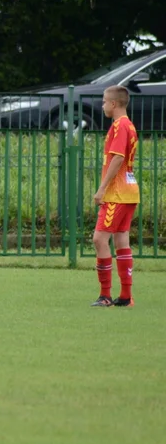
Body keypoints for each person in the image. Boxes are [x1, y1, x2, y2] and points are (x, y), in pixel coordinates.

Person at [91, 85, 140, 307]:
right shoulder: (130, 125)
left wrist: (102, 189)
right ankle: (126, 296)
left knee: (100, 239)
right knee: (121, 240)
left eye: (103, 101)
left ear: (113, 104)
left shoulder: (119, 126)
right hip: (130, 192)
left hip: (117, 193)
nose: (102, 106)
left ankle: (105, 296)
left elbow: (117, 158)